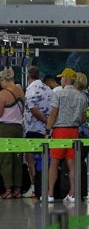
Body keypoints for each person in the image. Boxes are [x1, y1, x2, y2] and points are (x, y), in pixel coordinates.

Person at [46, 72, 88, 203]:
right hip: (74, 132)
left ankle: (50, 193)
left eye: (61, 78)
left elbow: (53, 114)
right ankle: (73, 193)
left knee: (54, 163)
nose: (60, 80)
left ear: (65, 79)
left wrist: (48, 130)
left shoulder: (58, 94)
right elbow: (83, 118)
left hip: (60, 131)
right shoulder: (81, 97)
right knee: (72, 164)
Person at [22, 65, 55, 198]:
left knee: (30, 159)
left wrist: (46, 121)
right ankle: (44, 185)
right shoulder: (47, 88)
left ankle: (36, 187)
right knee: (44, 159)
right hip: (45, 131)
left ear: (28, 76)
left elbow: (33, 109)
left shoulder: (31, 89)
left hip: (33, 128)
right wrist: (49, 123)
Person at [0, 70, 26, 198]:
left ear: (4, 80)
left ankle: (8, 189)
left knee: (6, 159)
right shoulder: (20, 91)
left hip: (5, 128)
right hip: (18, 128)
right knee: (17, 159)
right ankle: (17, 189)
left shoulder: (3, 94)